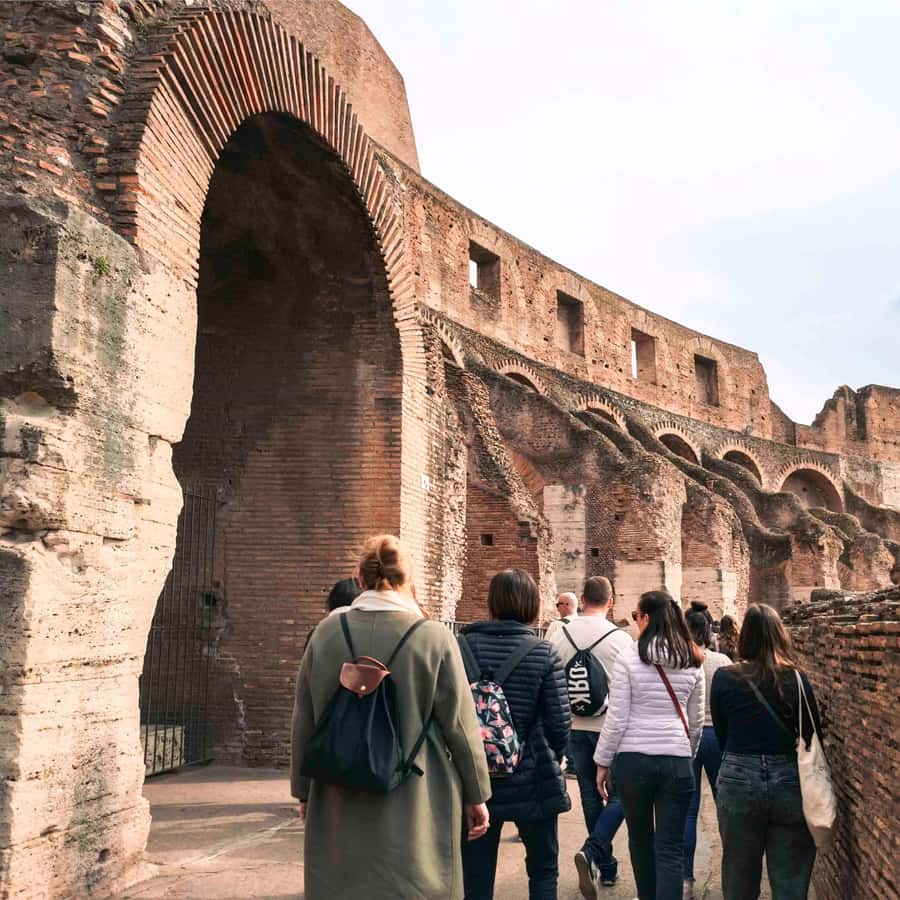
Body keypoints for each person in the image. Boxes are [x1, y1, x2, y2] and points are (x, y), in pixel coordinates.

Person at [291, 535, 491, 899]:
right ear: (407, 578)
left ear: (360, 578)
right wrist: (477, 794)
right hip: (417, 792)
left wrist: (303, 790)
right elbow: (460, 725)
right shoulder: (433, 637)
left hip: (336, 788)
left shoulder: (325, 633)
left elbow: (305, 718)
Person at [460, 569, 572, 900]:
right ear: (532, 604)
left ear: (492, 602)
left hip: (474, 780)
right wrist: (549, 755)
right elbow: (559, 723)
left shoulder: (460, 646)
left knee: (474, 874)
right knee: (543, 870)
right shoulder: (543, 652)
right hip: (532, 777)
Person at [594, 591, 704, 900]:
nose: (635, 622)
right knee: (670, 847)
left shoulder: (629, 656)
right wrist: (686, 753)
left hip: (634, 760)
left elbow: (617, 717)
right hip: (677, 759)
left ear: (646, 618)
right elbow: (695, 721)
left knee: (640, 841)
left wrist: (603, 761)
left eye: (636, 616)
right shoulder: (692, 657)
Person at [711, 603, 823, 900]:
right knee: (790, 880)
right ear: (780, 636)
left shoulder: (724, 677)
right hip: (788, 777)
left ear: (745, 637)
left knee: (738, 874)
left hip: (738, 775)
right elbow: (811, 735)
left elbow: (722, 733)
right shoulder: (796, 679)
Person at [550, 576, 632, 897]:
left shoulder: (560, 634)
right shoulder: (620, 639)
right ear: (610, 602)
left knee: (588, 793)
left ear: (582, 599)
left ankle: (604, 865)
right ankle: (593, 852)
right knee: (620, 795)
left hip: (575, 726)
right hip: (609, 729)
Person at [682, 602, 732, 900]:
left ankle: (685, 882)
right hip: (717, 735)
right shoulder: (722, 661)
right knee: (725, 808)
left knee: (687, 811)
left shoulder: (679, 661)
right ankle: (732, 878)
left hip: (687, 736)